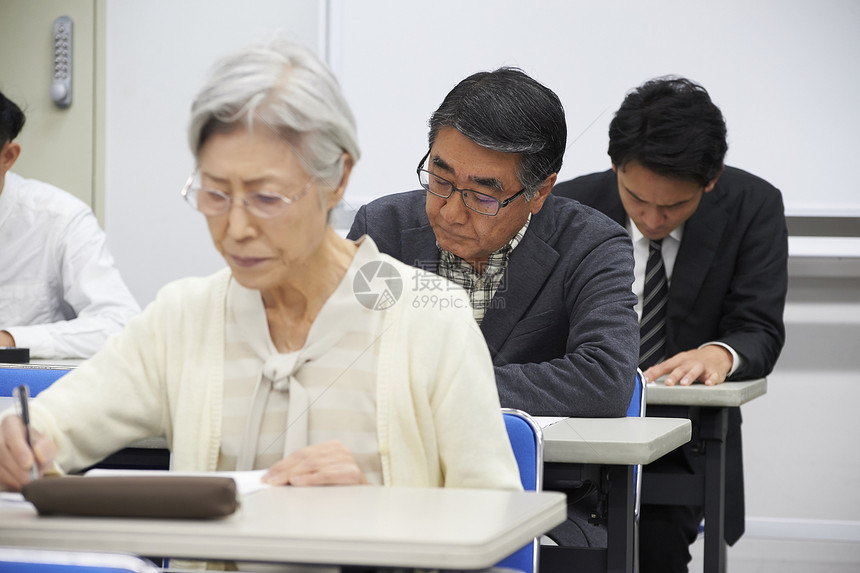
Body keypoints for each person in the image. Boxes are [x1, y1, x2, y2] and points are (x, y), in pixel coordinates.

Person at [0, 38, 520, 503]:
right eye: (216, 194)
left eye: (267, 197)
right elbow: (47, 427)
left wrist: (380, 514)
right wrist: (19, 442)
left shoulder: (430, 323)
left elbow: (497, 532)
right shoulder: (185, 318)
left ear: (337, 179)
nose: (236, 228)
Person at [347, 67, 639, 546]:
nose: (449, 210)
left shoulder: (591, 242)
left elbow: (604, 379)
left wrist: (442, 383)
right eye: (439, 179)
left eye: (483, 195)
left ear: (539, 191)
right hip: (389, 486)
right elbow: (339, 359)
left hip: (539, 497)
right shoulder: (383, 226)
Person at [553, 76, 788, 572]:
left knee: (657, 548)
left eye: (674, 206)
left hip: (682, 434)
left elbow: (759, 327)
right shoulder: (570, 208)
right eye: (637, 199)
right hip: (576, 426)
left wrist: (720, 354)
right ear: (616, 165)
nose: (652, 219)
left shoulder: (753, 206)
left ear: (711, 178)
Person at [0, 91, 141, 359]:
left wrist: (10, 339)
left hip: (25, 395)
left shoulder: (60, 219)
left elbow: (119, 324)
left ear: (8, 157)